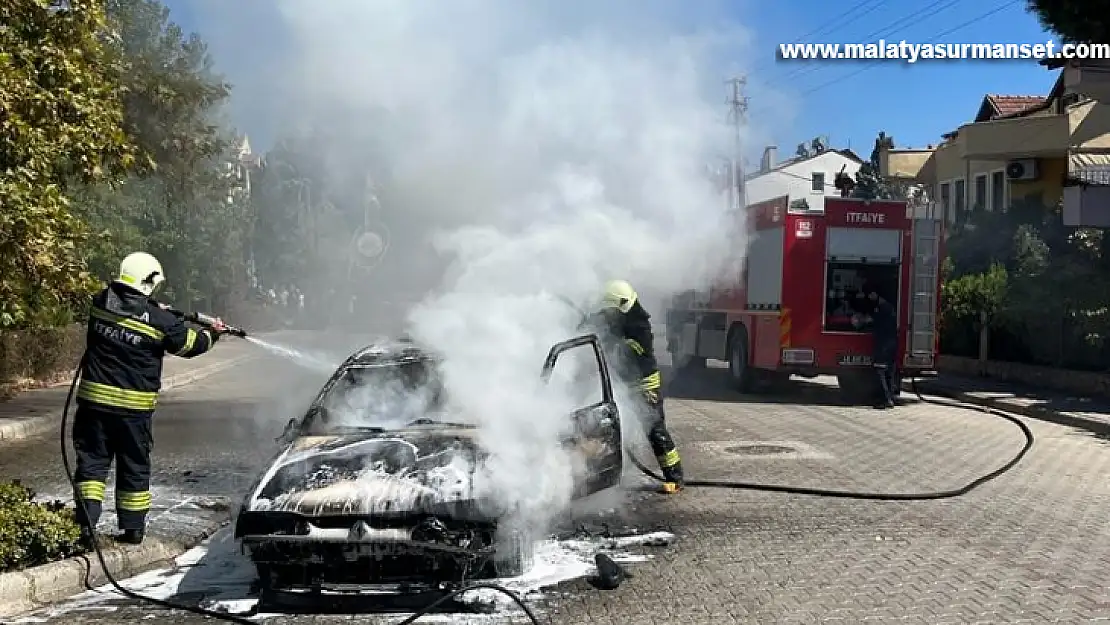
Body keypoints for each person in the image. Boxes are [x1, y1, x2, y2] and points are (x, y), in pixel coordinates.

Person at [73, 252, 228, 545]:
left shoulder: (100, 303)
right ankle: (132, 529)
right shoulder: (161, 321)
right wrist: (213, 332)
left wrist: (154, 309)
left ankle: (85, 527)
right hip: (133, 412)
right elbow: (190, 345)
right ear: (149, 282)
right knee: (133, 464)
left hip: (93, 406)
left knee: (92, 465)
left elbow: (127, 308)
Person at [591, 280, 685, 493]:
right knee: (613, 428)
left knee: (655, 430)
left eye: (612, 310)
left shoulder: (639, 328)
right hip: (628, 385)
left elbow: (628, 353)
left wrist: (611, 343)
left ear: (622, 305)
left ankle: (675, 477)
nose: (609, 315)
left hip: (645, 387)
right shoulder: (624, 317)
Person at [867, 289, 898, 409]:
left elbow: (872, 321)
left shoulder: (882, 308)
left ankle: (885, 399)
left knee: (880, 371)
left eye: (872, 294)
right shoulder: (891, 308)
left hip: (883, 344)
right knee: (889, 372)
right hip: (892, 342)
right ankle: (890, 398)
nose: (870, 296)